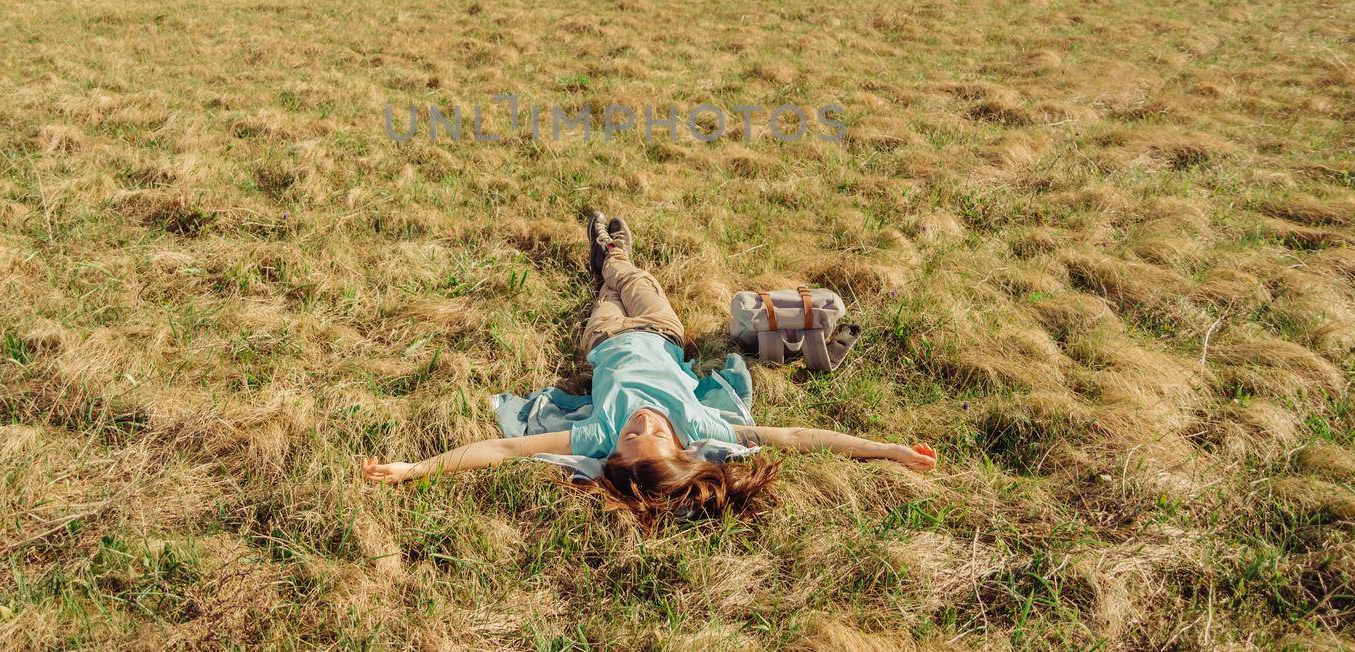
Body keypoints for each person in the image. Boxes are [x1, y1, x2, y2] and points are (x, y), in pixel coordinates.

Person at [363, 213, 936, 524]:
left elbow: (503, 451)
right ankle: (615, 255)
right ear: (682, 450)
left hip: (606, 338)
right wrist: (889, 450)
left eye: (633, 435)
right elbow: (796, 437)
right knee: (638, 283)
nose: (643, 424)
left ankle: (610, 256)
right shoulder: (702, 430)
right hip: (663, 332)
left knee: (612, 292)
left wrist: (417, 468)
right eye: (653, 434)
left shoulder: (600, 434)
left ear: (615, 452)